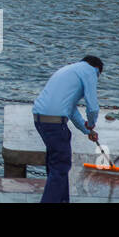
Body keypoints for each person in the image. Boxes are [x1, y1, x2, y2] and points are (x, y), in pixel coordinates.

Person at [31, 56, 103, 203]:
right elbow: (93, 106)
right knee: (60, 167)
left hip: (40, 119)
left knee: (56, 166)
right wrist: (92, 123)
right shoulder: (90, 71)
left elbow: (71, 109)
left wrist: (87, 130)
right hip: (54, 123)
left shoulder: (69, 69)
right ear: (97, 70)